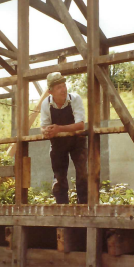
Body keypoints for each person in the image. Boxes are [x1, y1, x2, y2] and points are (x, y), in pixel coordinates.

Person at [40, 72, 88, 204]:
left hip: (77, 142)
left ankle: (84, 209)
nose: (63, 89)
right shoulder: (46, 104)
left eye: (64, 85)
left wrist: (59, 129)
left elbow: (80, 125)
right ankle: (62, 211)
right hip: (58, 144)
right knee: (59, 178)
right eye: (59, 87)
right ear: (50, 91)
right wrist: (46, 132)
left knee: (83, 175)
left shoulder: (75, 99)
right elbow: (43, 127)